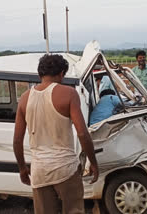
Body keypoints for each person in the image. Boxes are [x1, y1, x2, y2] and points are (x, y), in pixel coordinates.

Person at [13, 54, 99, 214]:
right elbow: (82, 133)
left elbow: (17, 141)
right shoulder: (69, 94)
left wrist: (22, 168)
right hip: (66, 169)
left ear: (40, 74)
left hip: (39, 172)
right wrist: (92, 162)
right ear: (61, 73)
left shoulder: (24, 99)